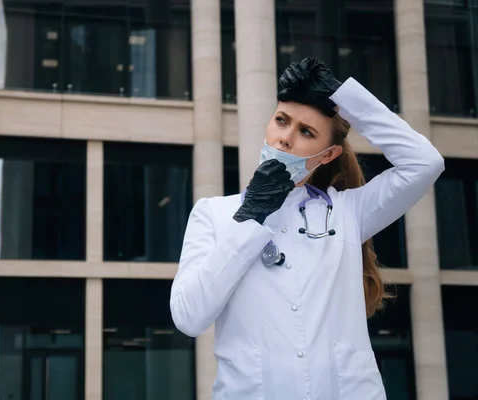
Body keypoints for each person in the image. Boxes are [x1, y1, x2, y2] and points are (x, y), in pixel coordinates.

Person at [170, 57, 444, 399]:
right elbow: (188, 316)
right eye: (281, 121)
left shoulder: (348, 212)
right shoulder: (214, 214)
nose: (285, 138)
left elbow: (425, 163)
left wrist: (344, 97)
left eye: (306, 132)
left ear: (328, 155)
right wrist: (250, 217)